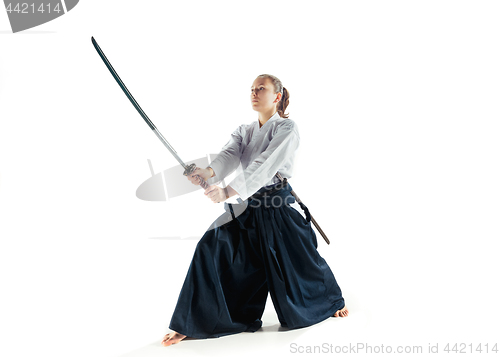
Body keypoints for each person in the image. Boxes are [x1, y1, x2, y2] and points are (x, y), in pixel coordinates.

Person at [161, 74, 348, 347]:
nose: (254, 93)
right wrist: (207, 173)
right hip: (247, 207)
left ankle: (330, 301)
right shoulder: (244, 130)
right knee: (210, 247)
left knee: (298, 263)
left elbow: (263, 165)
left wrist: (227, 192)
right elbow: (227, 156)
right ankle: (195, 321)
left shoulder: (286, 128)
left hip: (276, 207)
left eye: (261, 89)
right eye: (251, 89)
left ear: (277, 96)